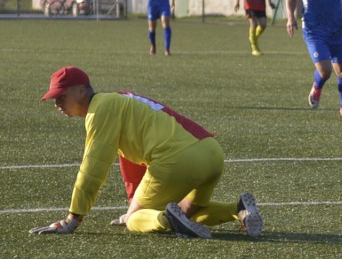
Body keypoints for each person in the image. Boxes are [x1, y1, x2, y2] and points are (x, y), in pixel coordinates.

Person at [29, 66, 263, 239]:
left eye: (61, 96)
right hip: (211, 152)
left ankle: (166, 218)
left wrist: (73, 218)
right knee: (189, 213)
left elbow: (93, 168)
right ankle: (239, 209)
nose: (56, 103)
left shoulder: (99, 110)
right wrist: (135, 202)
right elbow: (129, 161)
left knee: (135, 221)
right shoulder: (118, 101)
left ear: (81, 91)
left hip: (178, 159)